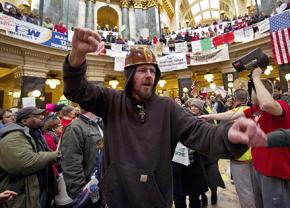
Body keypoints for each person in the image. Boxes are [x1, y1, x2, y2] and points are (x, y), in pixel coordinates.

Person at [62, 27, 266, 207]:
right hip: (117, 198)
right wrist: (77, 57)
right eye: (142, 70)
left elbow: (200, 133)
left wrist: (229, 135)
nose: (149, 75)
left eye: (152, 70)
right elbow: (76, 91)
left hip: (156, 199)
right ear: (130, 75)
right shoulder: (111, 101)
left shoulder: (167, 107)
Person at [200, 69, 290, 208]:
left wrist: (256, 77)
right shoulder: (255, 109)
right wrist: (210, 116)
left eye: (252, 90)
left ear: (259, 91)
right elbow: (231, 115)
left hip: (274, 170)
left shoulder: (280, 106)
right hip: (259, 166)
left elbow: (267, 103)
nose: (249, 93)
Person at [0, 107, 59, 208]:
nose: (41, 118)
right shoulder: (14, 136)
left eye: (41, 115)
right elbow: (25, 162)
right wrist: (55, 155)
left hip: (37, 187)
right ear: (24, 121)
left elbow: (44, 152)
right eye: (36, 116)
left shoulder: (37, 134)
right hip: (21, 193)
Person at [61, 109, 103, 207]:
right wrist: (79, 193)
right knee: (92, 204)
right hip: (89, 186)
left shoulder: (99, 123)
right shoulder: (74, 128)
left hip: (101, 183)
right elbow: (71, 163)